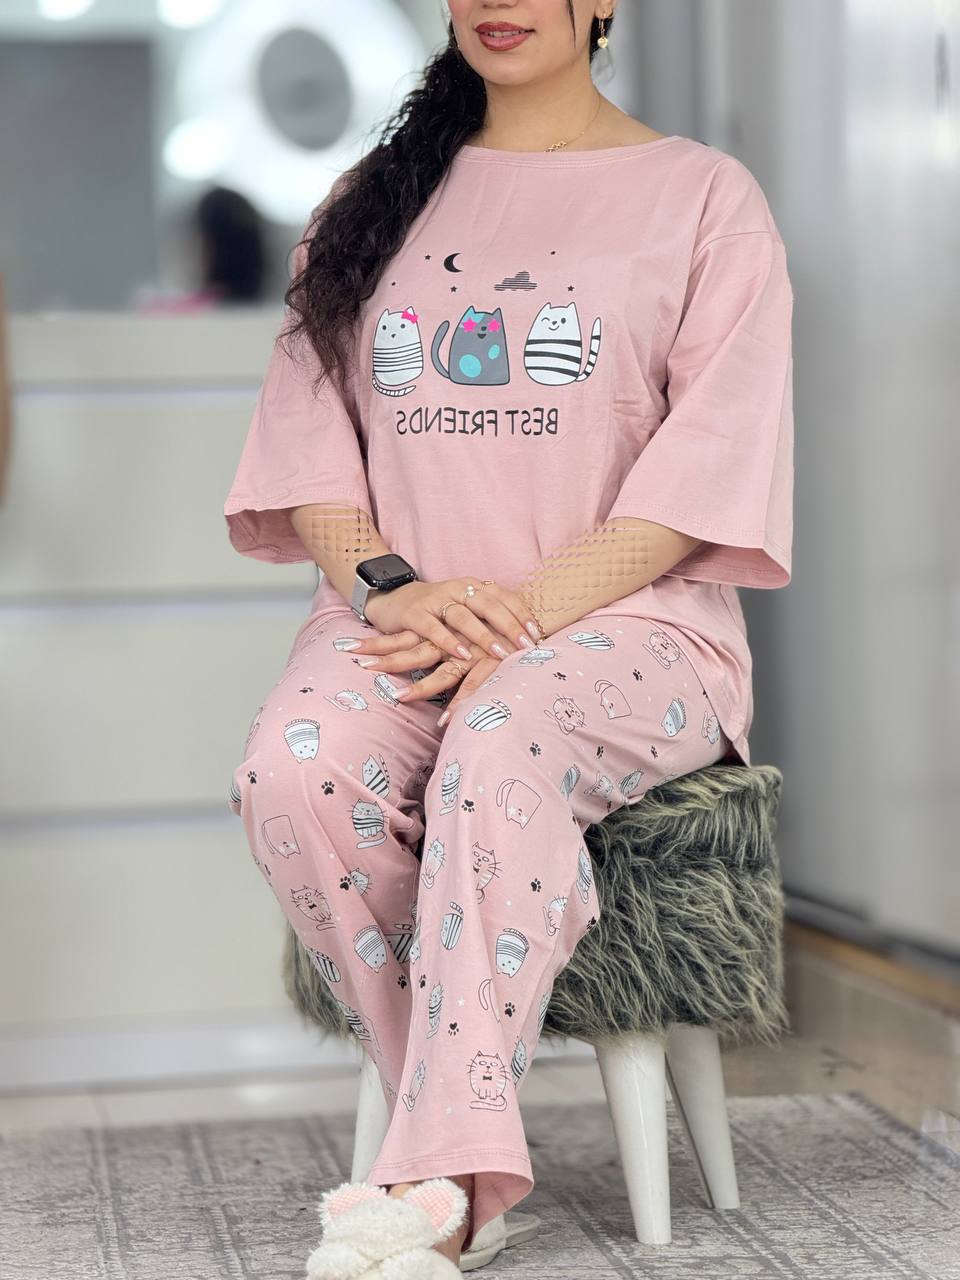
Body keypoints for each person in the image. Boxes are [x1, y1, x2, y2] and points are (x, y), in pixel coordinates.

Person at [222, 3, 794, 1275]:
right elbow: (309, 443)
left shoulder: (705, 200)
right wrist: (391, 586)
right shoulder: (366, 203)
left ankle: (440, 1181)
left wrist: (523, 614)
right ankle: (456, 1144)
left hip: (630, 626)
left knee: (501, 732)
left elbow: (708, 465)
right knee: (291, 770)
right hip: (402, 617)